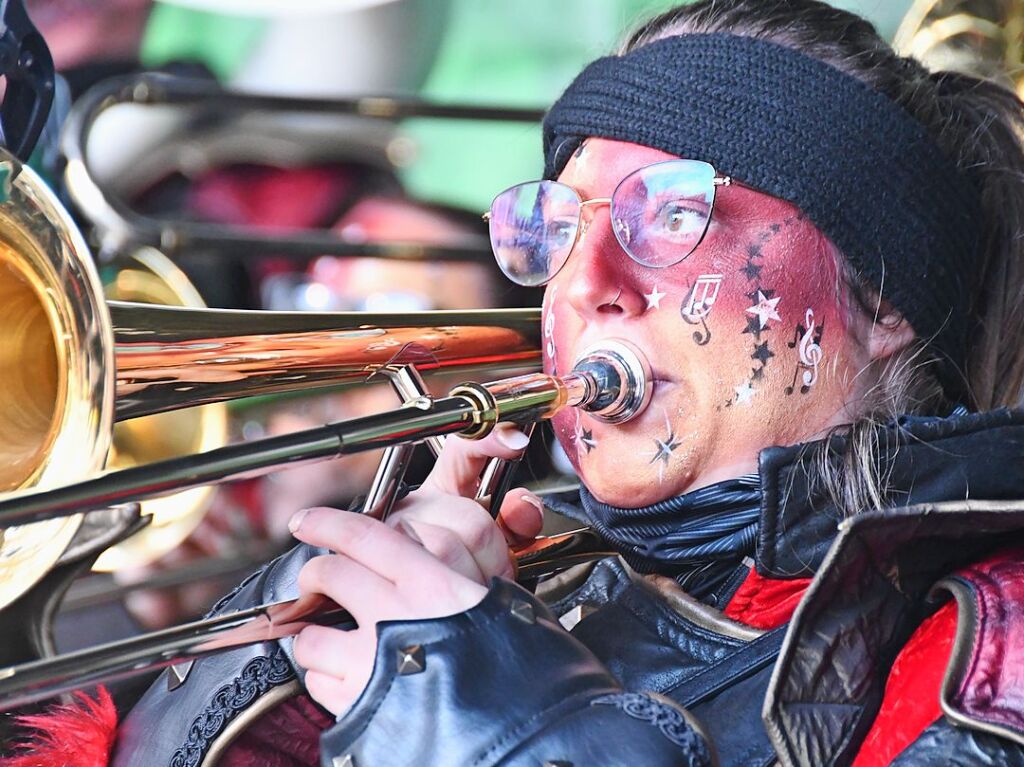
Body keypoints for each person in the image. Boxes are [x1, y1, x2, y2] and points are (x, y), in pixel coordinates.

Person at [12, 0, 1024, 764]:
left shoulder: (990, 638)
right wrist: (283, 661)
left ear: (883, 298)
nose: (585, 287)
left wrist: (526, 734)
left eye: (669, 217)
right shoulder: (545, 587)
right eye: (555, 228)